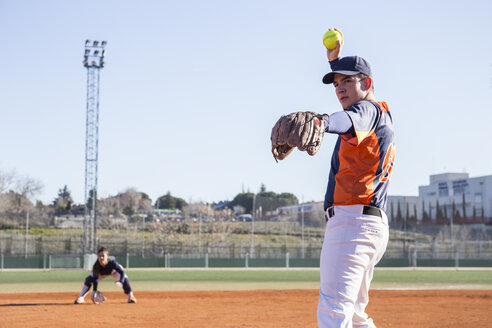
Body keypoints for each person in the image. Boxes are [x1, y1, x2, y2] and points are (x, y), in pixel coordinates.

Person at [317, 29, 395, 327]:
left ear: (368, 83)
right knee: (355, 316)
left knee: (334, 312)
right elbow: (351, 110)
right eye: (337, 83)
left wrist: (321, 122)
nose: (339, 88)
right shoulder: (380, 114)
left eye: (347, 81)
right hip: (367, 224)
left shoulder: (367, 111)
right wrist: (334, 60)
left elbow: (349, 121)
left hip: (353, 223)